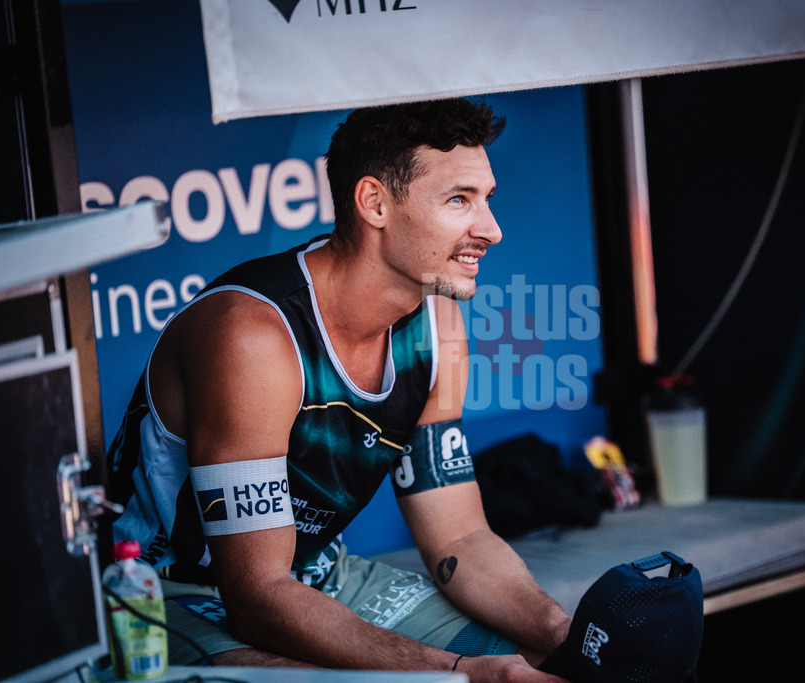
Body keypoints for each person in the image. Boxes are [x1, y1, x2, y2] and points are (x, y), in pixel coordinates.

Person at [105, 99, 571, 681]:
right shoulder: (254, 334)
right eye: (459, 200)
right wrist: (461, 673)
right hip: (174, 598)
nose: (492, 230)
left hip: (325, 578)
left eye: (487, 199)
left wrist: (564, 633)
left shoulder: (439, 324)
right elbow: (256, 596)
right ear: (374, 203)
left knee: (548, 661)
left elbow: (460, 536)